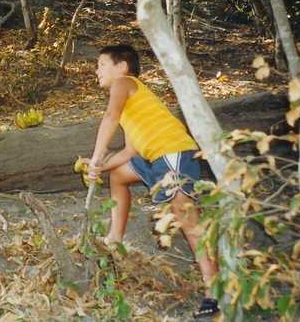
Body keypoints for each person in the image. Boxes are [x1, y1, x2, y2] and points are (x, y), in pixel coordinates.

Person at [87, 44, 220, 318]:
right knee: (119, 175)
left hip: (171, 152)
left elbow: (109, 118)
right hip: (151, 157)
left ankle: (215, 290)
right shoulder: (131, 108)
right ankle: (114, 239)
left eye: (101, 64)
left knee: (187, 219)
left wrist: (95, 155)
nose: (96, 69)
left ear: (122, 66)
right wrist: (97, 166)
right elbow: (128, 152)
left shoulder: (124, 83)